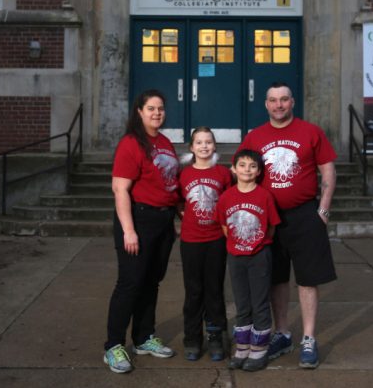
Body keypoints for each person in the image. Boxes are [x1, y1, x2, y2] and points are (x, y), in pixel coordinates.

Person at [236, 81, 337, 369]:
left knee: (307, 278)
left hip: (305, 215)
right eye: (273, 100)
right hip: (269, 218)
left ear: (292, 102)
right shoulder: (255, 137)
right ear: (265, 104)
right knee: (276, 278)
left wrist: (324, 211)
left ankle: (308, 338)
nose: (278, 105)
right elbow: (240, 172)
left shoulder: (310, 132)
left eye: (283, 100)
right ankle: (282, 334)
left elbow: (327, 169)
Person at [103, 89, 180, 374]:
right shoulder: (131, 143)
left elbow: (169, 184)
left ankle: (144, 337)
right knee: (130, 283)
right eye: (151, 108)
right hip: (139, 219)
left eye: (160, 108)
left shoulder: (164, 142)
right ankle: (113, 346)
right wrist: (129, 231)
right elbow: (120, 188)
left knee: (151, 282)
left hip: (163, 221)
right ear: (139, 111)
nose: (157, 113)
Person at [216, 149, 281, 372]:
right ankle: (242, 348)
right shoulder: (226, 197)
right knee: (242, 303)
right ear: (234, 169)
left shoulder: (264, 196)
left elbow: (271, 227)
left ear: (259, 171)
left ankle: (259, 350)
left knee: (259, 303)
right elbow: (225, 226)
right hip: (236, 256)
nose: (247, 170)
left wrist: (256, 244)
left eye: (252, 166)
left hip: (259, 256)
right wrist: (239, 243)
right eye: (242, 165)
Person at [177, 127, 232, 361]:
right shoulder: (184, 175)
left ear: (214, 146)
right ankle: (192, 337)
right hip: (191, 240)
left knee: (214, 289)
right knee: (193, 291)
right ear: (191, 148)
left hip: (216, 240)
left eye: (208, 142)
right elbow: (179, 203)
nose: (204, 146)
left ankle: (216, 335)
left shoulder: (223, 174)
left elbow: (230, 202)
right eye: (199, 142)